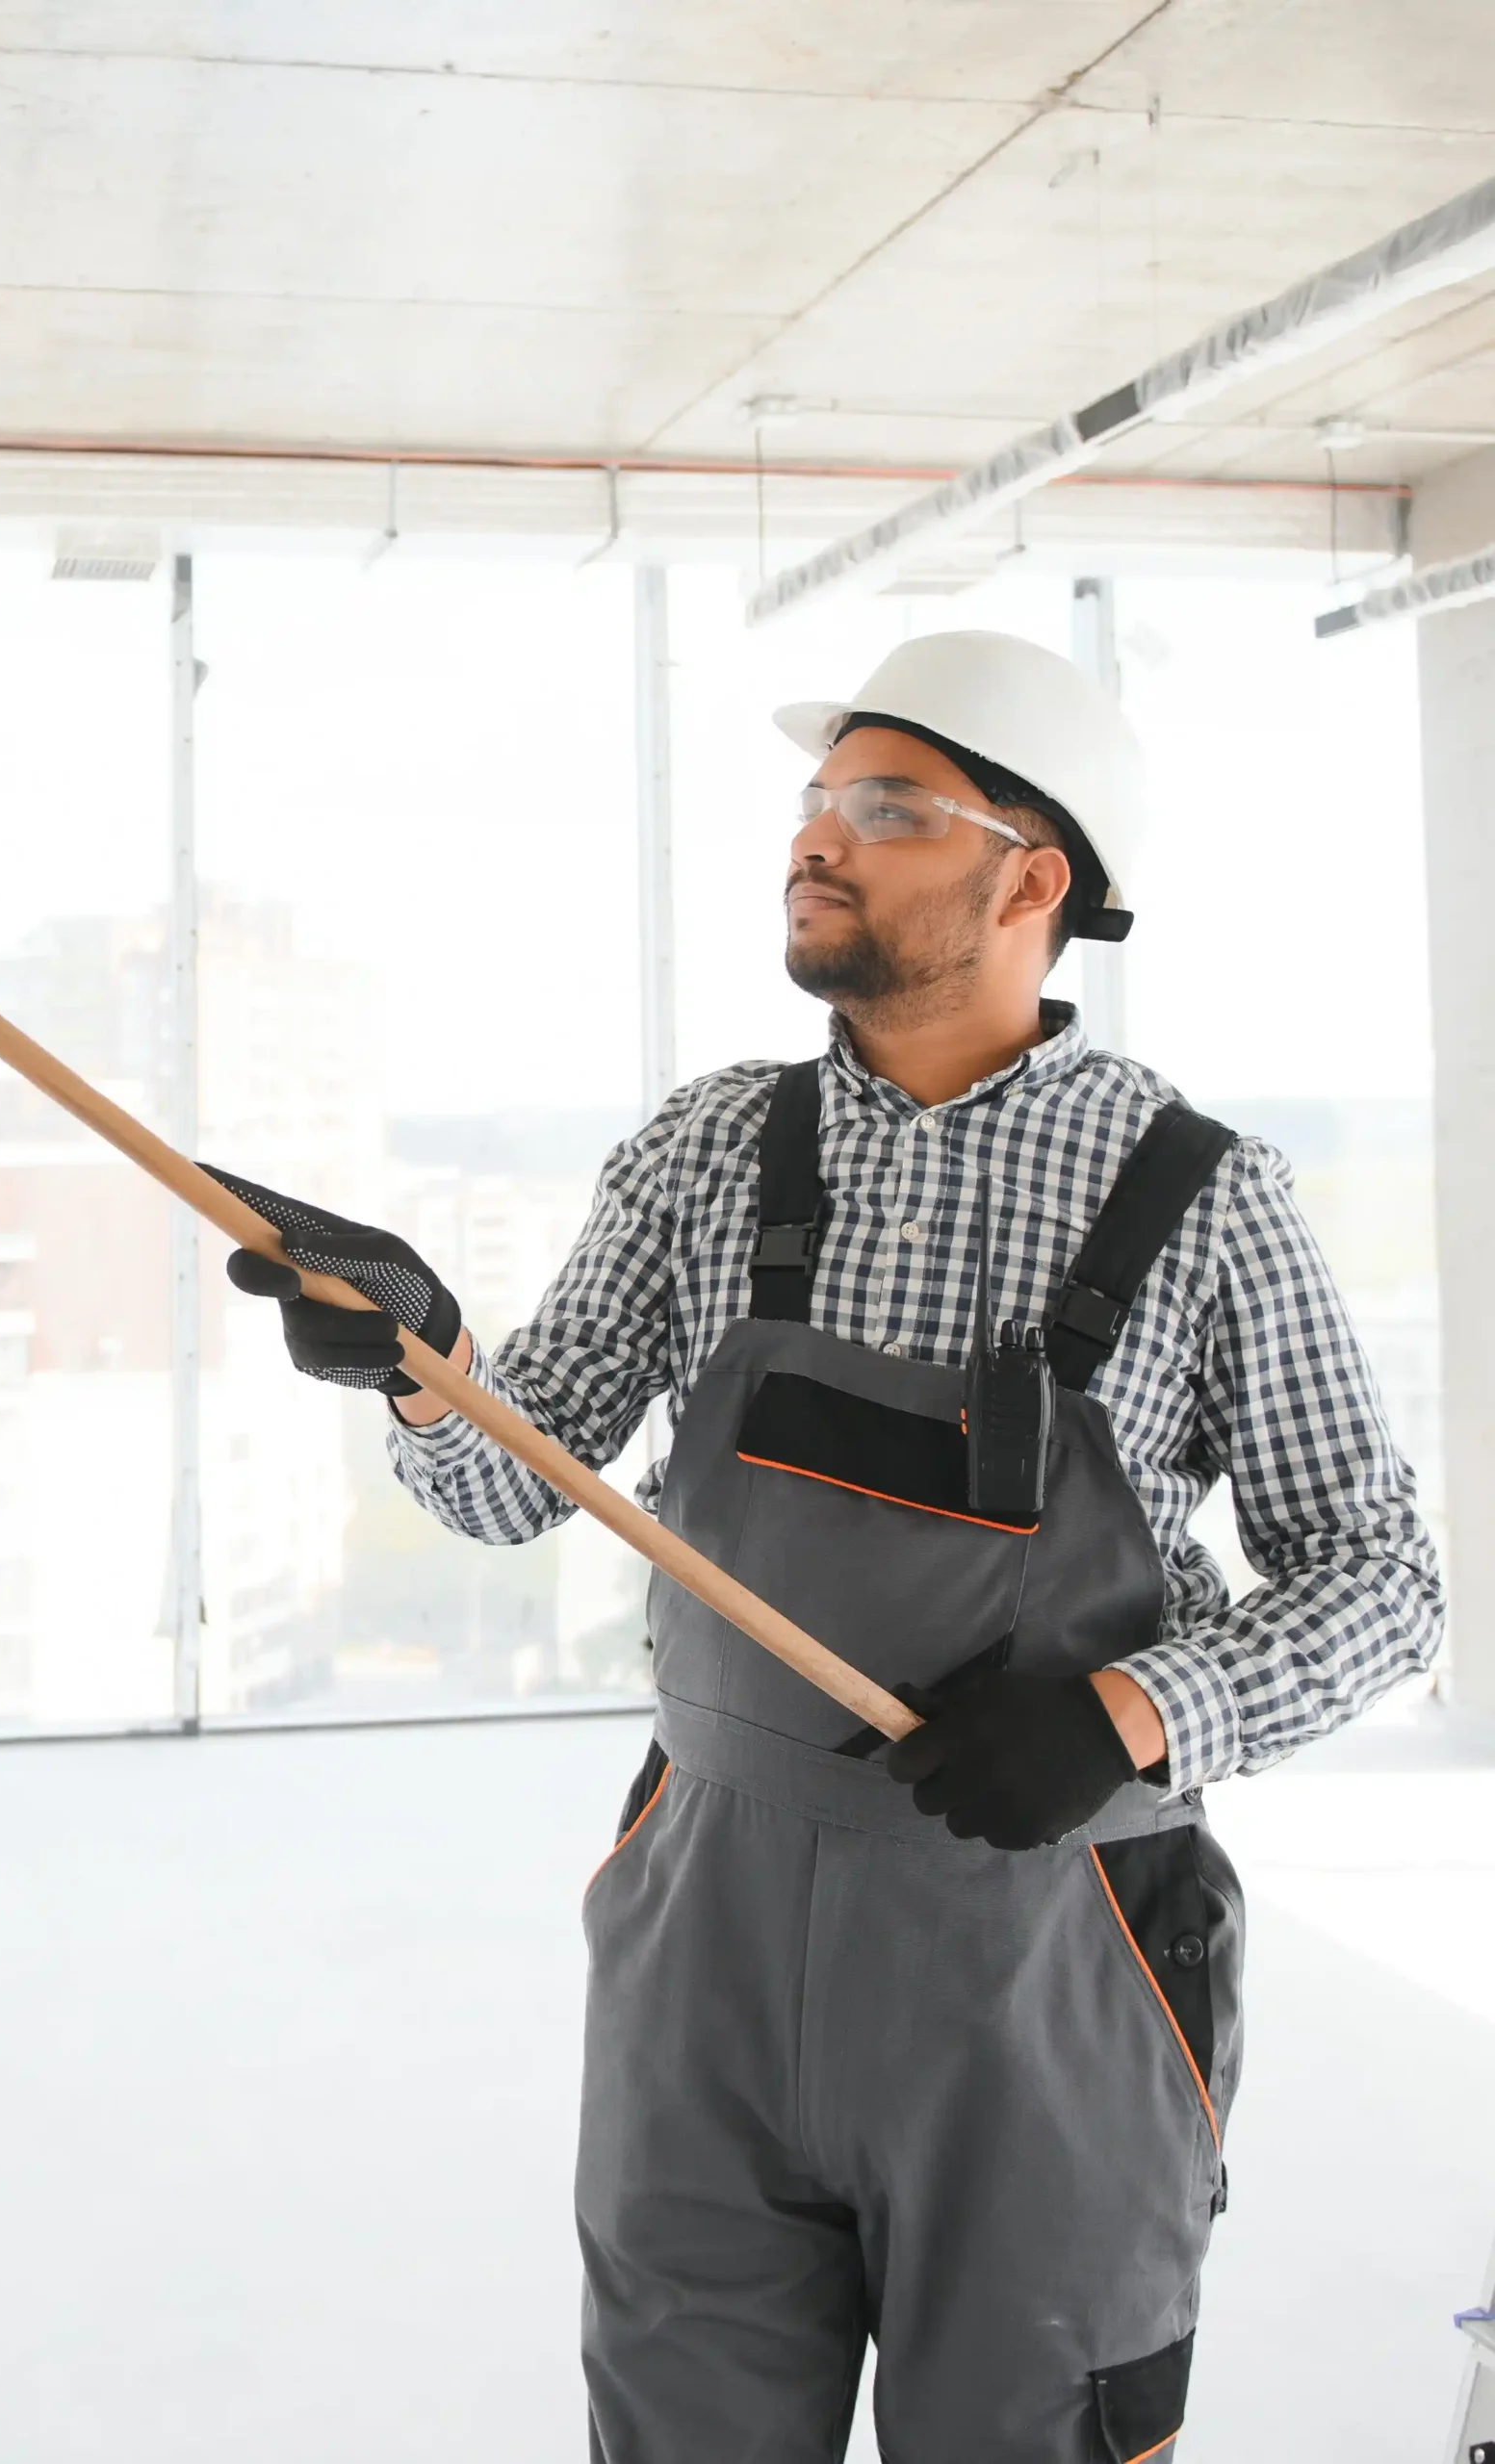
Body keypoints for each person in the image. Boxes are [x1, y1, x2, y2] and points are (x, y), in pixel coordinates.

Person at [206, 629, 1442, 2462]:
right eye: (813, 801)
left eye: (886, 806)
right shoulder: (713, 1148)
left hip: (1052, 1956)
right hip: (703, 1929)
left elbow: (1386, 1579)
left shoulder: (1203, 1198)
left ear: (1036, 878)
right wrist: (415, 1368)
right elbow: (512, 1485)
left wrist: (1131, 1711)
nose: (816, 838)